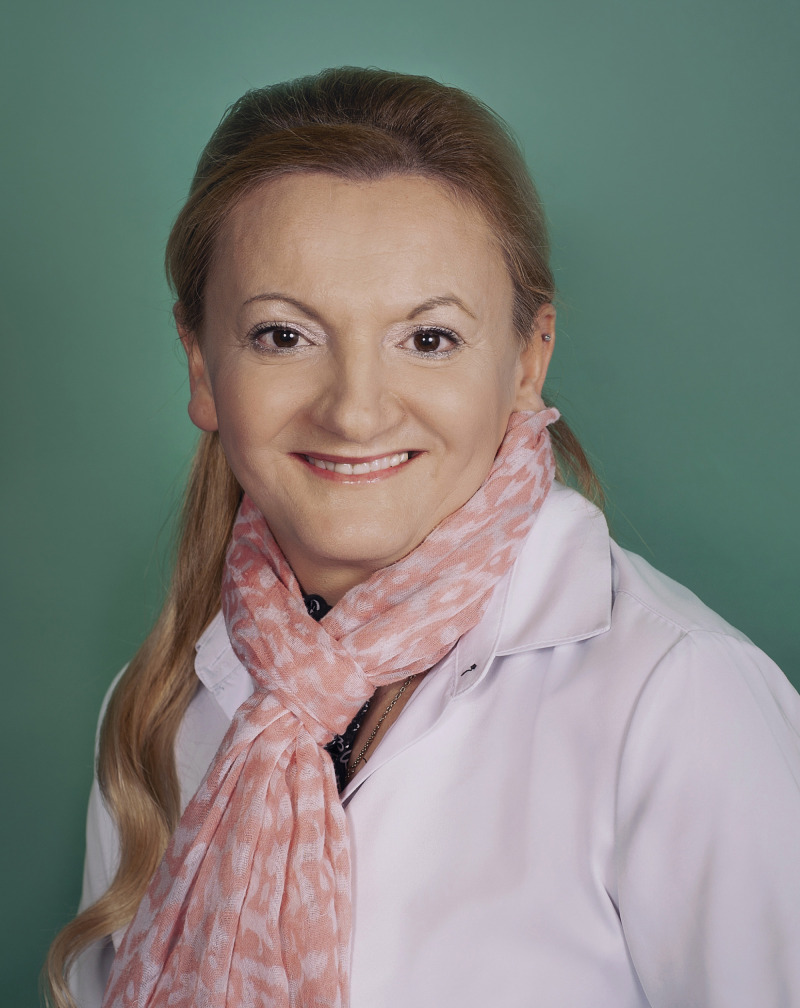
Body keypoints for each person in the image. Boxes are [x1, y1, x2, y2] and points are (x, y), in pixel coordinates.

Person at [46, 67, 800, 1008]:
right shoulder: (157, 705)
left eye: (429, 339)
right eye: (283, 336)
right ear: (201, 365)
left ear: (527, 361)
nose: (356, 411)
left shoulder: (680, 702)